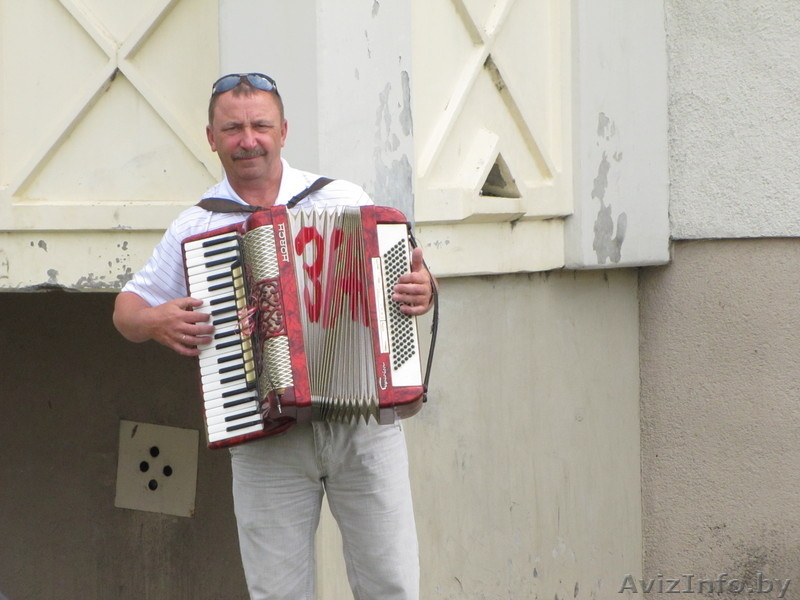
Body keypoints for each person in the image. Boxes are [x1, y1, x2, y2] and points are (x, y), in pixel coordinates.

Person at [113, 73, 435, 600]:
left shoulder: (343, 198)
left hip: (364, 430)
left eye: (260, 125)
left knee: (392, 586)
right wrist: (157, 321)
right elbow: (126, 311)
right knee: (277, 593)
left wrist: (424, 289)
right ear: (211, 138)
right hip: (264, 435)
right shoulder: (196, 227)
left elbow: (412, 278)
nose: (248, 139)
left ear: (283, 131)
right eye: (233, 128)